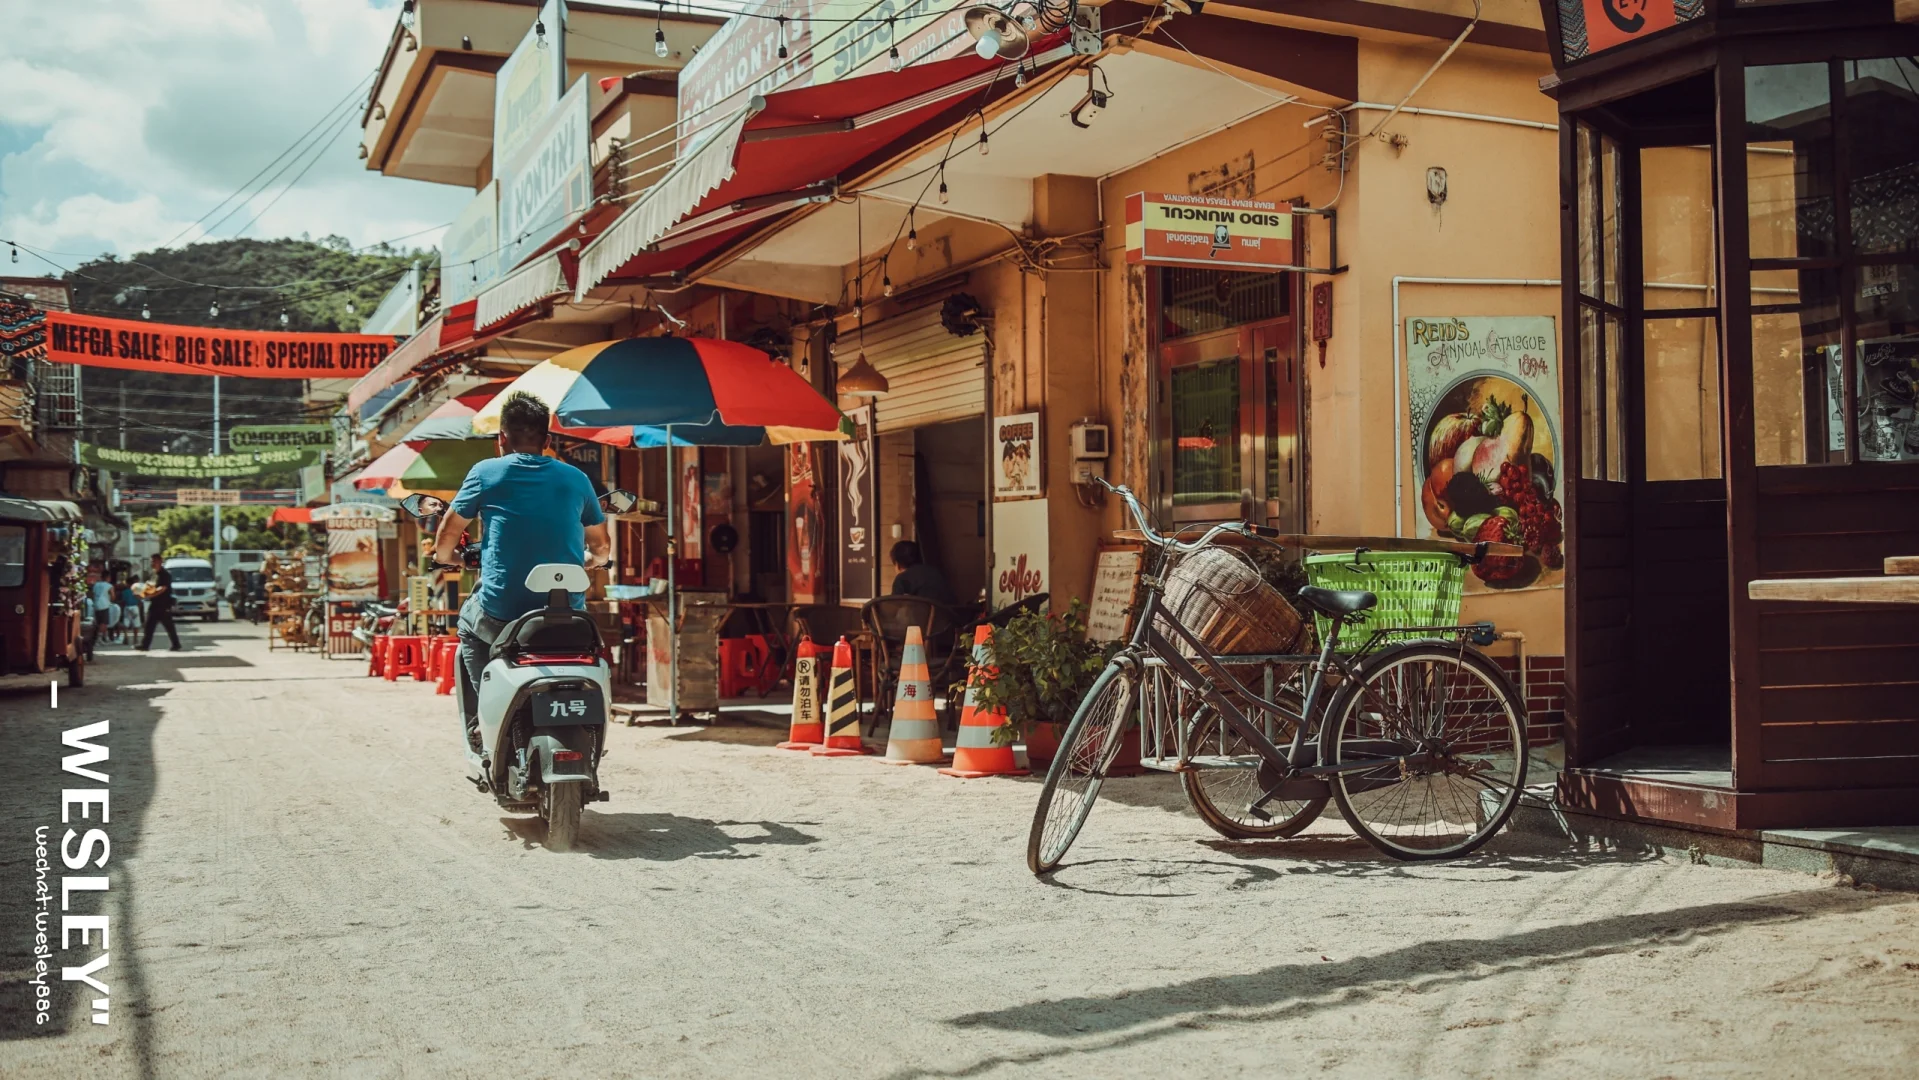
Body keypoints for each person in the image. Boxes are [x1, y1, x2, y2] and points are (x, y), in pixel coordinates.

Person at [433, 392, 611, 751]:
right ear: (547, 441)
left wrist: (445, 559)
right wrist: (595, 562)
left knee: (468, 625)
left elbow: (447, 534)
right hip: (568, 614)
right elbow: (601, 545)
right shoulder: (576, 478)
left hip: (502, 613)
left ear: (501, 438)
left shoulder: (485, 472)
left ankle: (485, 718)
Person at [889, 540, 955, 607]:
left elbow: (894, 609)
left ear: (897, 565)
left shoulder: (902, 579)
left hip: (922, 616)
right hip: (946, 615)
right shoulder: (935, 572)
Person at [138, 554, 181, 652]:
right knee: (149, 625)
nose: (152, 563)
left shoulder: (165, 574)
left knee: (169, 625)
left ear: (160, 562)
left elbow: (162, 588)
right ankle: (145, 645)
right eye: (151, 561)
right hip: (154, 604)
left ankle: (176, 644)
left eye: (154, 561)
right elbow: (149, 586)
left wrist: (151, 595)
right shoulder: (153, 574)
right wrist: (142, 593)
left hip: (164, 604)